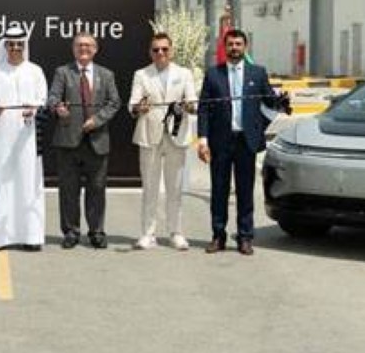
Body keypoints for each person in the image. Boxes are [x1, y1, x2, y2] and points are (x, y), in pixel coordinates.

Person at [196, 27, 281, 255]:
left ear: (245, 47)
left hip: (246, 142)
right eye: (230, 44)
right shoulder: (213, 74)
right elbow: (204, 108)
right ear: (225, 47)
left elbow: (270, 102)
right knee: (219, 190)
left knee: (245, 191)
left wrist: (274, 110)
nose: (234, 48)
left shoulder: (258, 73)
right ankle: (218, 236)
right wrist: (203, 139)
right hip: (220, 141)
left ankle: (245, 237)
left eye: (238, 44)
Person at [47, 33, 121, 249]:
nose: (84, 48)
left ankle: (96, 231)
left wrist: (97, 120)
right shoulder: (62, 72)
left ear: (95, 49)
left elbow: (114, 102)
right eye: (79, 45)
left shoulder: (106, 75)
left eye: (88, 45)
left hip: (97, 141)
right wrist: (58, 108)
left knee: (97, 189)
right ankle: (71, 232)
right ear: (73, 49)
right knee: (68, 190)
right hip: (68, 141)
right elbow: (53, 98)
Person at [129, 32, 196, 250]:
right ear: (150, 52)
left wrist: (188, 106)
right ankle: (148, 234)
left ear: (171, 51)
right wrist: (140, 108)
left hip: (176, 135)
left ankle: (176, 232)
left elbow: (193, 103)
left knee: (174, 189)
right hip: (150, 136)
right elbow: (133, 105)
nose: (160, 53)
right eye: (156, 49)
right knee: (150, 188)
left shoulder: (184, 73)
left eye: (164, 49)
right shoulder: (141, 74)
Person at [0, 25, 47, 250]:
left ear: (24, 46)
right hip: (2, 134)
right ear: (5, 46)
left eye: (19, 44)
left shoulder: (35, 71)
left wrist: (33, 108)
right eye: (11, 44)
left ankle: (30, 236)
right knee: (1, 181)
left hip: (26, 136)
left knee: (28, 181)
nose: (15, 48)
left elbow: (42, 98)